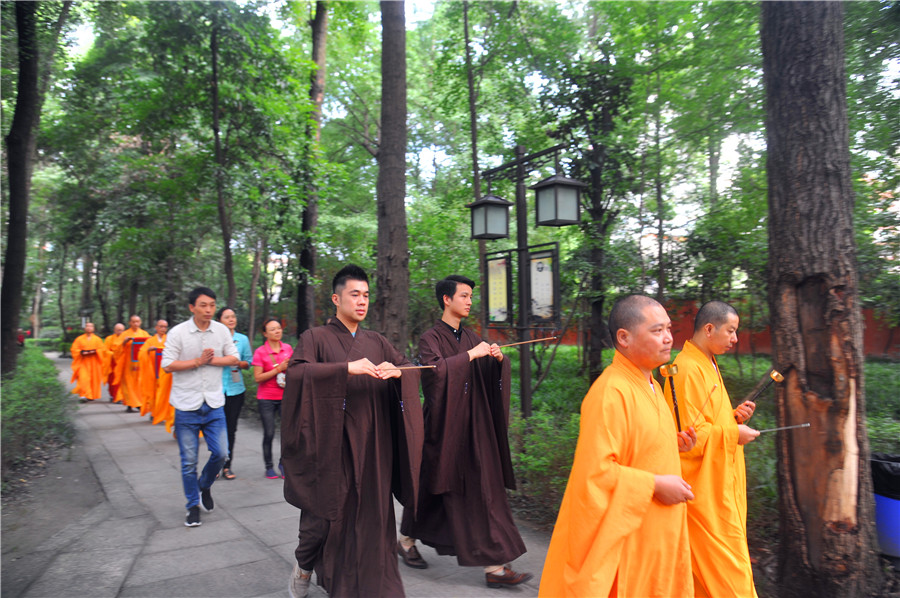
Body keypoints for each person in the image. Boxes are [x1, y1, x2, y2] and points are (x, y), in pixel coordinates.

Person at [539, 295, 698, 598]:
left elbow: (636, 445)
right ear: (624, 338)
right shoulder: (610, 393)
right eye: (656, 331)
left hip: (657, 535)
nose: (668, 338)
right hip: (628, 539)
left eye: (668, 329)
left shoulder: (651, 383)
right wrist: (654, 484)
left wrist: (671, 444)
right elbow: (596, 474)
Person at [281, 264, 424, 598]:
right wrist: (345, 368)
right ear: (336, 298)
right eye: (354, 294)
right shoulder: (314, 338)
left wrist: (398, 373)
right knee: (323, 517)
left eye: (366, 295)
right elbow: (298, 375)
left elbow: (410, 368)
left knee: (374, 518)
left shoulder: (377, 341)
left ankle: (372, 586)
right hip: (330, 444)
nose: (362, 301)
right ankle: (304, 566)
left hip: (374, 446)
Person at [398, 275, 532, 588]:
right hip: (444, 429)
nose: (469, 301)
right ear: (447, 299)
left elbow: (482, 379)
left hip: (475, 428)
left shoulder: (472, 337)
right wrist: (471, 356)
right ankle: (405, 540)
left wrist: (497, 362)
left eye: (471, 296)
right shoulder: (429, 339)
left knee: (484, 490)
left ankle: (495, 566)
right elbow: (435, 378)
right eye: (464, 295)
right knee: (434, 486)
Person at [665, 300, 759, 597]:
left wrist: (732, 418)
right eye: (731, 331)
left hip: (720, 486)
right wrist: (732, 434)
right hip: (701, 491)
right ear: (709, 328)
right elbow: (686, 436)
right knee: (730, 577)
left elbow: (706, 420)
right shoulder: (685, 369)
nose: (735, 339)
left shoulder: (707, 363)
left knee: (714, 576)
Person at [161, 287, 239, 528]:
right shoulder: (178, 333)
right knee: (188, 461)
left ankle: (204, 485)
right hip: (186, 406)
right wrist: (197, 362)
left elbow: (234, 358)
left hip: (214, 404)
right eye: (203, 305)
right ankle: (192, 506)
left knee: (221, 454)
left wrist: (210, 360)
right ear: (192, 307)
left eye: (212, 305)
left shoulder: (221, 331)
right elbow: (166, 365)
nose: (208, 310)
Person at [253, 318, 293, 479]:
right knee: (269, 433)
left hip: (286, 397)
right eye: (272, 329)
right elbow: (257, 378)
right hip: (266, 398)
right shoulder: (260, 352)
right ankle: (268, 467)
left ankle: (284, 464)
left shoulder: (288, 348)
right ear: (265, 333)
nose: (277, 331)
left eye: (278, 328)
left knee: (287, 433)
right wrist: (279, 369)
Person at [217, 307, 253, 480]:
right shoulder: (214, 338)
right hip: (215, 390)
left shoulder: (242, 339)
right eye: (227, 317)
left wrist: (238, 363)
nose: (231, 319)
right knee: (215, 429)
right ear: (220, 321)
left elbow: (249, 362)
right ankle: (215, 464)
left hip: (236, 390)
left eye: (233, 316)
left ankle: (227, 466)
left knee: (231, 429)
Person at [113, 315, 149, 412]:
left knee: (139, 384)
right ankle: (131, 404)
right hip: (128, 364)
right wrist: (124, 342)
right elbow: (116, 349)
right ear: (130, 323)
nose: (135, 324)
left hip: (140, 364)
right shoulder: (125, 334)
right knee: (128, 384)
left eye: (137, 321)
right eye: (133, 322)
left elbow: (148, 346)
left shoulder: (144, 334)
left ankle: (138, 403)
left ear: (140, 322)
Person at [138, 320, 168, 418]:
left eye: (165, 327)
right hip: (152, 370)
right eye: (161, 326)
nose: (163, 329)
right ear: (156, 327)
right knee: (153, 391)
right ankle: (154, 412)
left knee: (164, 392)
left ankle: (163, 413)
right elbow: (141, 352)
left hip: (165, 371)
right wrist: (148, 350)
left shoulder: (169, 340)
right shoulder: (150, 341)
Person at [70, 322, 107, 402]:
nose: (89, 328)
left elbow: (102, 349)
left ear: (93, 329)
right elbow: (74, 349)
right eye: (87, 326)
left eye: (91, 326)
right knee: (83, 378)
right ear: (84, 328)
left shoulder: (97, 339)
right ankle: (83, 395)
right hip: (83, 362)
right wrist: (81, 352)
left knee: (94, 379)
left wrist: (95, 351)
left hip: (94, 362)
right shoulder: (79, 339)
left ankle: (91, 395)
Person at [104, 323, 125, 402]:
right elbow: (105, 350)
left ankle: (120, 396)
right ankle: (113, 395)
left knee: (122, 380)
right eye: (118, 330)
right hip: (112, 362)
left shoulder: (125, 338)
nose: (120, 332)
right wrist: (112, 354)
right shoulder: (109, 339)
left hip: (122, 362)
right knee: (112, 380)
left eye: (122, 330)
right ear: (114, 330)